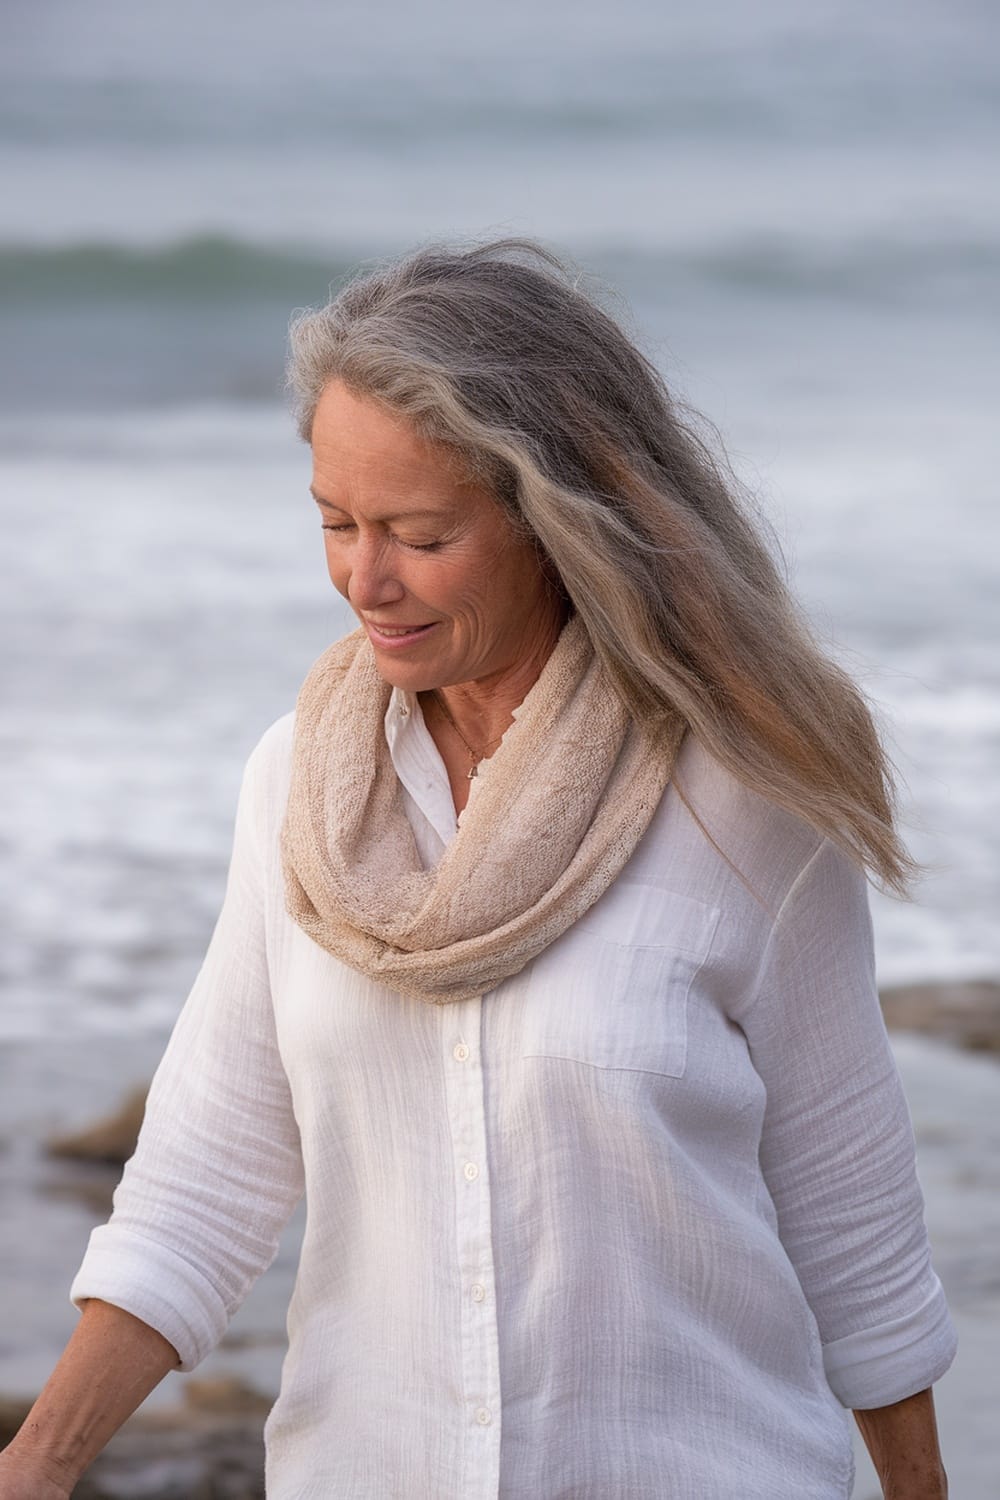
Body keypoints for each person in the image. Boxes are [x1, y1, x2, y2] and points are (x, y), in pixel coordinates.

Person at [0, 240, 955, 1499]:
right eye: (336, 524)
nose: (364, 578)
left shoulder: (745, 796)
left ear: (554, 519)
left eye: (418, 533)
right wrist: (41, 1463)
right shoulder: (298, 787)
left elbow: (851, 1211)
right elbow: (207, 1174)